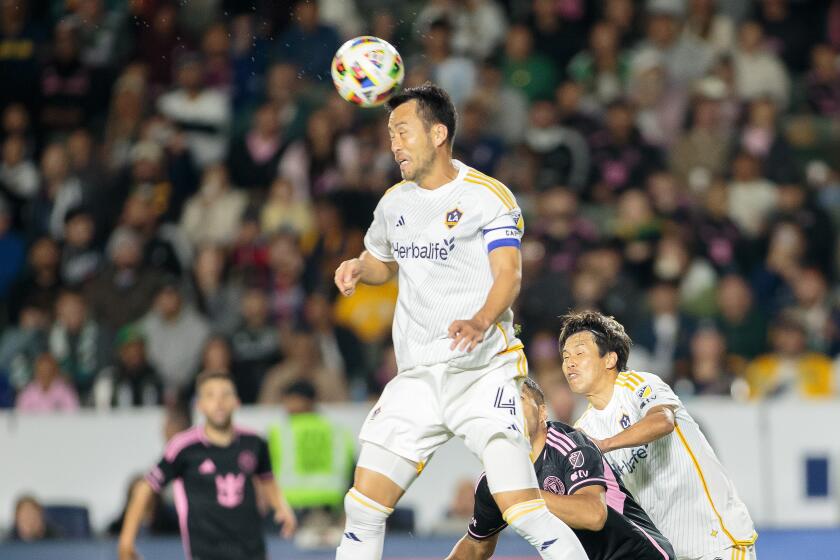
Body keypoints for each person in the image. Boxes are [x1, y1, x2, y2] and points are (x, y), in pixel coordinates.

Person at [333, 83, 586, 560]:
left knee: (522, 509)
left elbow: (508, 274)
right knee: (363, 507)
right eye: (390, 134)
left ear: (438, 133)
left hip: (482, 373)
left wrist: (481, 320)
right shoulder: (394, 203)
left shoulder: (488, 197)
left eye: (403, 132)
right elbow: (382, 260)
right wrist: (359, 268)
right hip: (418, 378)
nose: (394, 145)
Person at [559, 311, 757, 560]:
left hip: (716, 540)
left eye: (579, 353)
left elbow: (663, 421)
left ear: (610, 359)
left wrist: (604, 445)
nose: (570, 363)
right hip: (667, 551)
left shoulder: (639, 385)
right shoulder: (584, 428)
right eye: (565, 357)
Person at [447, 377, 675, 560]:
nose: (509, 409)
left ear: (543, 412)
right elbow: (477, 546)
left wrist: (521, 496)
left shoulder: (570, 444)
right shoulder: (494, 480)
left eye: (518, 399)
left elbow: (593, 515)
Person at [117, 371, 297, 560]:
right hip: (206, 553)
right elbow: (146, 487)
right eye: (210, 395)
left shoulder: (254, 442)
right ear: (200, 405)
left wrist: (281, 507)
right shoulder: (184, 447)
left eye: (225, 394)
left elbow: (267, 478)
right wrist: (126, 541)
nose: (218, 402)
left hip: (252, 552)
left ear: (236, 401)